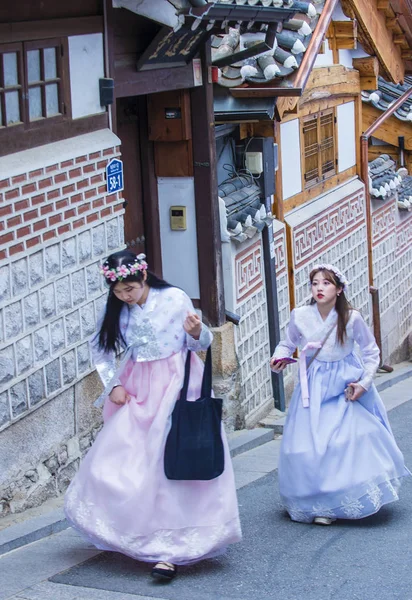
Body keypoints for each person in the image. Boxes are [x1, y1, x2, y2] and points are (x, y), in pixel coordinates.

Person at [64, 250, 241, 579]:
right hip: (136, 386)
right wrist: (112, 383)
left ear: (144, 277)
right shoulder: (117, 309)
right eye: (118, 292)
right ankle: (135, 531)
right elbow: (100, 349)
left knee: (170, 461)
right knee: (124, 459)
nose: (125, 297)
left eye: (129, 289)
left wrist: (196, 331)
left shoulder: (174, 298)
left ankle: (172, 547)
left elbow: (199, 344)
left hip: (176, 383)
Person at [270, 264, 409, 525]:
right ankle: (315, 501)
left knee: (342, 440)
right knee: (305, 445)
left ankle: (337, 502)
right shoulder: (300, 315)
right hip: (312, 385)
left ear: (339, 289)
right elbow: (287, 343)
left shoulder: (351, 317)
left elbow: (370, 352)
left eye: (326, 283)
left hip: (344, 383)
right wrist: (279, 357)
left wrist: (364, 382)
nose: (319, 288)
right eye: (315, 283)